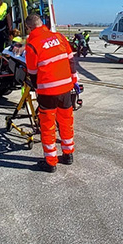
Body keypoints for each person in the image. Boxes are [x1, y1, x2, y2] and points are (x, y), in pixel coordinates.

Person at [24, 13, 80, 173]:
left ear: (29, 28)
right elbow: (71, 60)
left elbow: (33, 72)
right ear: (41, 24)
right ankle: (68, 155)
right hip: (65, 89)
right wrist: (73, 80)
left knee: (48, 126)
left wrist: (37, 88)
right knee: (66, 122)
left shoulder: (32, 45)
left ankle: (50, 162)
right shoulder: (59, 37)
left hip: (48, 92)